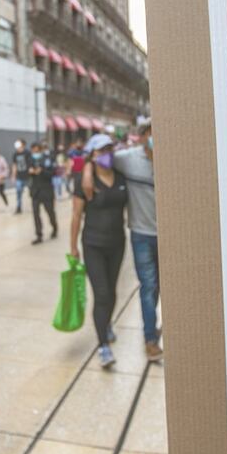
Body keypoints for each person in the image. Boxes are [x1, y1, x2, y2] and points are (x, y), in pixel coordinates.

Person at [94, 122, 162, 361]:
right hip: (141, 234)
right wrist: (85, 172)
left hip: (167, 238)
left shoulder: (172, 158)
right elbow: (99, 159)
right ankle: (150, 339)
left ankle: (152, 327)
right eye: (151, 134)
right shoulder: (127, 159)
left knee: (159, 287)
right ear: (142, 137)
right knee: (148, 286)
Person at [71, 134, 128, 368]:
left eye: (109, 149)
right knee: (102, 294)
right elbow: (76, 215)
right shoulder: (85, 181)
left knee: (112, 292)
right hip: (93, 244)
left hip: (117, 243)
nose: (106, 154)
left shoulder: (121, 176)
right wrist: (73, 247)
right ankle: (103, 345)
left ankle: (106, 324)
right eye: (101, 151)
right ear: (92, 155)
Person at [28, 141, 58, 245]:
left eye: (37, 150)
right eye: (33, 150)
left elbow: (53, 173)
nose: (35, 152)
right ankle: (39, 234)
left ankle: (54, 228)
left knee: (50, 212)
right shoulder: (30, 159)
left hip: (46, 190)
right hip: (35, 191)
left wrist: (42, 171)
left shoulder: (48, 159)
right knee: (36, 214)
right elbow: (26, 171)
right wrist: (30, 172)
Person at [11, 138, 31, 214]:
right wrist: (13, 175)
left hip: (28, 176)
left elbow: (31, 163)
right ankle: (18, 207)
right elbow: (14, 165)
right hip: (19, 176)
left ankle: (35, 205)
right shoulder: (15, 154)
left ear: (23, 144)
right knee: (18, 191)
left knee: (32, 191)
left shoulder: (28, 153)